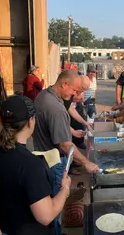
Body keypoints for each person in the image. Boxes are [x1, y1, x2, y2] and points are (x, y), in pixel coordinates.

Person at [0, 96, 71, 235]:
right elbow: (46, 216)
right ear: (31, 121)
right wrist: (65, 188)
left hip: (3, 226)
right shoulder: (30, 165)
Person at [33, 70, 99, 235]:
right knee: (55, 205)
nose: (76, 95)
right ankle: (56, 231)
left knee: (48, 199)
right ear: (64, 84)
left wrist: (70, 130)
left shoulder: (43, 96)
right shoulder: (57, 108)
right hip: (54, 162)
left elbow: (52, 124)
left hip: (41, 156)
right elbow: (64, 145)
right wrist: (86, 162)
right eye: (74, 91)